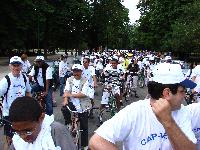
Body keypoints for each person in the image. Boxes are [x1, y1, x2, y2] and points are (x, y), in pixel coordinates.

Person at [89, 63, 197, 150]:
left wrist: (168, 122)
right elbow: (96, 141)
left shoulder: (182, 111)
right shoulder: (135, 111)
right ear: (167, 93)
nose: (185, 95)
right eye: (182, 91)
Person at [9, 96, 76, 150]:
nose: (23, 137)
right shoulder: (16, 140)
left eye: (28, 131)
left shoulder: (56, 131)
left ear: (41, 118)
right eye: (18, 132)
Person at [0, 56, 31, 150]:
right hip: (9, 115)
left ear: (21, 66)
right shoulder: (6, 80)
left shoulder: (25, 78)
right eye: (14, 65)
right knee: (9, 140)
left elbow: (28, 92)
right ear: (10, 66)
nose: (16, 67)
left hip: (22, 114)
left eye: (18, 65)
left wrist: (31, 106)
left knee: (24, 138)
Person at [61, 64, 92, 150]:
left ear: (81, 72)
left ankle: (84, 145)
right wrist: (66, 99)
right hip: (72, 103)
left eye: (78, 71)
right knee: (64, 108)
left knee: (84, 126)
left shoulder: (85, 80)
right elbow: (66, 90)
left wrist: (70, 95)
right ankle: (69, 123)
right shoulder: (69, 79)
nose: (76, 73)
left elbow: (83, 94)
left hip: (83, 104)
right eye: (74, 71)